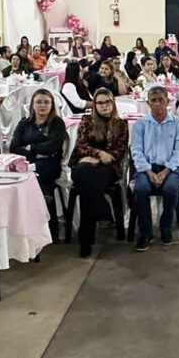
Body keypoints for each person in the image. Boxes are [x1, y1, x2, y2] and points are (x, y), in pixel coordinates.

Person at [70, 88, 129, 257]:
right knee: (84, 173)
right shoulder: (87, 121)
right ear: (94, 105)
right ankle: (103, 210)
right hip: (83, 165)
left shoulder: (121, 124)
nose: (104, 106)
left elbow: (119, 151)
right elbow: (80, 145)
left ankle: (86, 241)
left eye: (107, 102)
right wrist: (97, 154)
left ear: (113, 103)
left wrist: (101, 157)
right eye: (100, 103)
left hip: (108, 168)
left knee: (87, 187)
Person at [130, 86, 179, 250]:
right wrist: (148, 171)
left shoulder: (177, 124)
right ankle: (146, 232)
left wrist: (166, 171)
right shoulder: (140, 125)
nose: (157, 104)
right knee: (141, 189)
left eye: (160, 100)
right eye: (153, 101)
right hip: (146, 169)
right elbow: (136, 151)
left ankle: (165, 226)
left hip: (170, 168)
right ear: (148, 103)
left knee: (171, 189)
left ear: (167, 101)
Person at [10, 89, 67, 241]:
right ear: (32, 105)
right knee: (16, 178)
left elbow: (52, 147)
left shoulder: (57, 123)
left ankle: (41, 221)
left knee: (32, 177)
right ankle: (22, 222)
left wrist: (31, 147)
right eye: (39, 102)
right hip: (26, 163)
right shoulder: (24, 123)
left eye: (46, 102)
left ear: (52, 105)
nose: (42, 106)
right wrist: (35, 154)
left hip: (49, 164)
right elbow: (14, 148)